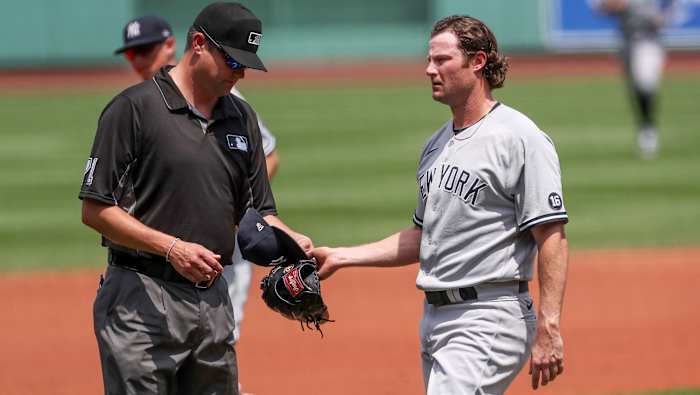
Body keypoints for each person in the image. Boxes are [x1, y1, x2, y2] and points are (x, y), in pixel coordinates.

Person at [312, 15, 569, 394]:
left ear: (477, 61)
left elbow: (551, 234)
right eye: (429, 60)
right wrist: (343, 256)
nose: (430, 69)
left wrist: (550, 326)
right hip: (436, 316)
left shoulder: (519, 137)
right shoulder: (436, 146)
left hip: (489, 314)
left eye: (442, 60)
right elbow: (425, 237)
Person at [80, 3, 311, 394]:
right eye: (233, 62)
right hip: (141, 300)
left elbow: (258, 213)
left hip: (212, 303)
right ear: (199, 44)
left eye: (246, 65)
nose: (239, 74)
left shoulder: (242, 118)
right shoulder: (133, 109)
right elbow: (96, 208)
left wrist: (295, 245)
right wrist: (171, 248)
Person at [114, 13, 281, 343]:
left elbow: (268, 156)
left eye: (147, 50)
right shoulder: (137, 104)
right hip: (153, 270)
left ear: (172, 46)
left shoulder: (224, 96)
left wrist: (229, 213)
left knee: (215, 350)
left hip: (216, 258)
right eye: (134, 54)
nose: (140, 60)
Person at [593, 0, 675, 159]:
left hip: (649, 41)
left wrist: (664, 15)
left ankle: (648, 130)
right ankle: (645, 128)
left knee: (645, 82)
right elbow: (602, 8)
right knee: (635, 88)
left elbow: (667, 11)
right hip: (628, 42)